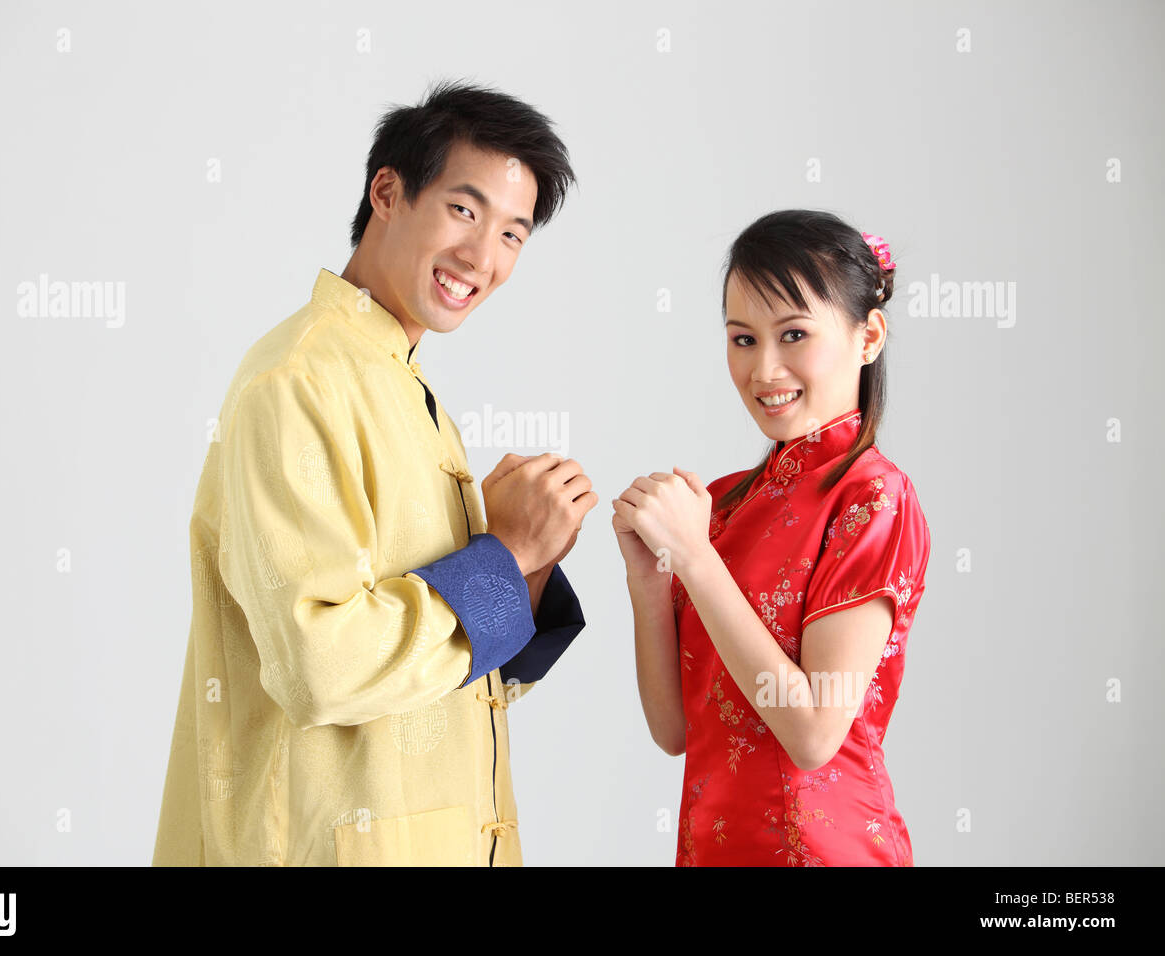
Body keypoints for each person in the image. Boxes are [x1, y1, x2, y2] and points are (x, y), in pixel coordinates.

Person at [153, 79, 597, 866]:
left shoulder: (404, 387)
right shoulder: (297, 383)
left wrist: (529, 564)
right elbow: (319, 667)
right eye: (464, 210)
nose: (481, 257)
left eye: (512, 235)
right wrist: (502, 558)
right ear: (387, 192)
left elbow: (439, 676)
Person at [613, 210, 931, 866]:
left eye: (793, 335)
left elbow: (813, 734)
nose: (765, 370)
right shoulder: (727, 502)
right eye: (742, 339)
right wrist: (649, 584)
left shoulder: (874, 498)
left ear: (868, 335)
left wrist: (697, 559)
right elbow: (675, 732)